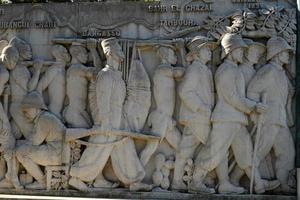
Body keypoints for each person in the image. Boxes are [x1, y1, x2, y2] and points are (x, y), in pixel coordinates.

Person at [191, 33, 279, 194]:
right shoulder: (225, 71)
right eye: (239, 50)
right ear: (230, 51)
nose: (242, 53)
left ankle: (257, 183)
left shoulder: (234, 69)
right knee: (215, 151)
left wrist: (252, 107)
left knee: (245, 151)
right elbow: (233, 98)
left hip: (236, 119)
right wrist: (254, 106)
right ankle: (195, 181)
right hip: (225, 119)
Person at [69, 38, 151, 192]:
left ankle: (134, 181)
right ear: (111, 53)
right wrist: (105, 123)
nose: (122, 52)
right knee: (97, 150)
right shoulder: (106, 75)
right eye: (119, 49)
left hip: (118, 120)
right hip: (107, 122)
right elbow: (102, 101)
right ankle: (76, 177)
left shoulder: (116, 75)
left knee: (126, 148)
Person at [247, 36, 296, 193]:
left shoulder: (281, 73)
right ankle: (248, 179)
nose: (288, 55)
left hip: (280, 119)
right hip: (268, 119)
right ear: (276, 53)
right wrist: (257, 112)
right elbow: (252, 91)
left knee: (287, 153)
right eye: (285, 52)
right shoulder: (268, 71)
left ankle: (283, 184)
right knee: (259, 152)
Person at [172, 36, 215, 192]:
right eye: (206, 49)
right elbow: (184, 91)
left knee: (185, 149)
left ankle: (178, 181)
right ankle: (197, 182)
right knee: (214, 146)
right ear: (196, 53)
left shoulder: (203, 69)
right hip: (197, 117)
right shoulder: (195, 69)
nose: (209, 52)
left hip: (200, 117)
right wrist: (201, 107)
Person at [139, 44, 184, 167]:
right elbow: (180, 72)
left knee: (182, 147)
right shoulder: (162, 70)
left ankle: (177, 170)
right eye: (173, 54)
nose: (175, 57)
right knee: (150, 148)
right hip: (161, 118)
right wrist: (182, 50)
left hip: (166, 119)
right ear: (165, 56)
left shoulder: (165, 70)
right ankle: (137, 172)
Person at [16, 91, 65, 189]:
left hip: (55, 154)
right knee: (21, 149)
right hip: (55, 151)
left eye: (26, 111)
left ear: (36, 108)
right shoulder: (43, 118)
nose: (25, 115)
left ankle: (42, 182)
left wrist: (20, 146)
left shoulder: (44, 119)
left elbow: (35, 142)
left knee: (20, 153)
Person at [8, 37, 43, 139]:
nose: (30, 51)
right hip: (20, 107)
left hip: (22, 106)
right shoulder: (18, 69)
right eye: (26, 49)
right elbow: (30, 88)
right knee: (32, 135)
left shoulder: (22, 68)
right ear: (18, 52)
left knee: (15, 134)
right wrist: (37, 71)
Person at [0, 45, 23, 190]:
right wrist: (4, 120)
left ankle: (10, 175)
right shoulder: (3, 73)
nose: (15, 63)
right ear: (6, 56)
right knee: (9, 141)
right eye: (14, 59)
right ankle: (12, 176)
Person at [63, 43, 94, 128]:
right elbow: (95, 73)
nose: (86, 56)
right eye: (84, 53)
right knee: (88, 135)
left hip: (80, 111)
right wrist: (94, 51)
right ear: (76, 54)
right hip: (74, 112)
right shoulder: (76, 68)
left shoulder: (75, 68)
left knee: (91, 133)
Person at [37, 45, 70, 119]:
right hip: (53, 112)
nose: (67, 54)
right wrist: (40, 107)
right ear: (59, 55)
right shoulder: (54, 69)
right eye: (65, 52)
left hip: (59, 113)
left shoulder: (63, 69)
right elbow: (40, 86)